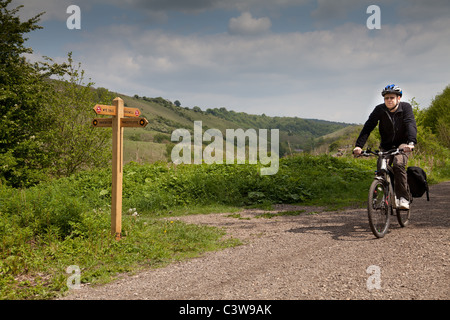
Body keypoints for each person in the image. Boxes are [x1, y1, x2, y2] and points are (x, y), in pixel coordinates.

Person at [353, 84, 417, 209]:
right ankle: (381, 196)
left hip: (403, 144)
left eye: (392, 97)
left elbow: (410, 124)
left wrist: (411, 142)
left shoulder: (406, 108)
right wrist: (358, 146)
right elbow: (368, 126)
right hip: (387, 145)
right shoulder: (379, 110)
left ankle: (403, 197)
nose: (389, 100)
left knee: (398, 164)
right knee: (381, 167)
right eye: (386, 98)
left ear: (399, 98)